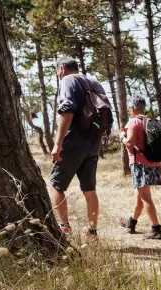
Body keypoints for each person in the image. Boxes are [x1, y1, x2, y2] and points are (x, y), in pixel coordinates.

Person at [50, 56, 109, 240]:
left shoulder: (67, 80)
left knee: (56, 185)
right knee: (89, 189)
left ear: (61, 69)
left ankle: (64, 228)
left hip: (73, 142)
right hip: (93, 143)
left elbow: (67, 111)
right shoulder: (94, 82)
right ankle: (92, 232)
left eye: (57, 72)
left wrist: (58, 144)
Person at [118, 96, 161, 240]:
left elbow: (130, 143)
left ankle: (156, 229)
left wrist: (122, 137)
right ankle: (131, 223)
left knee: (145, 197)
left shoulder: (133, 122)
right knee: (141, 195)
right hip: (154, 163)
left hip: (140, 164)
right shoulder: (150, 121)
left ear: (132, 109)